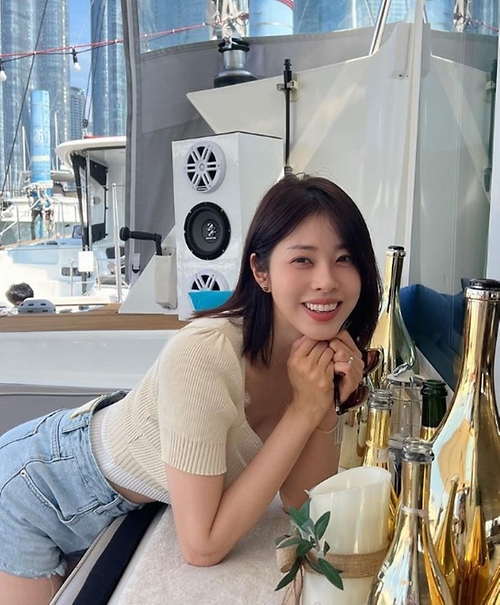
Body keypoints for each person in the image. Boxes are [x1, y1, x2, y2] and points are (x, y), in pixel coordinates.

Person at [0, 173, 381, 605]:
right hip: (35, 489)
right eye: (303, 260)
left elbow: (302, 504)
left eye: (344, 258)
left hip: (122, 507)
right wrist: (302, 411)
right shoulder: (205, 353)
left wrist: (323, 405)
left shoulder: (312, 356)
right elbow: (202, 547)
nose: (326, 280)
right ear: (261, 271)